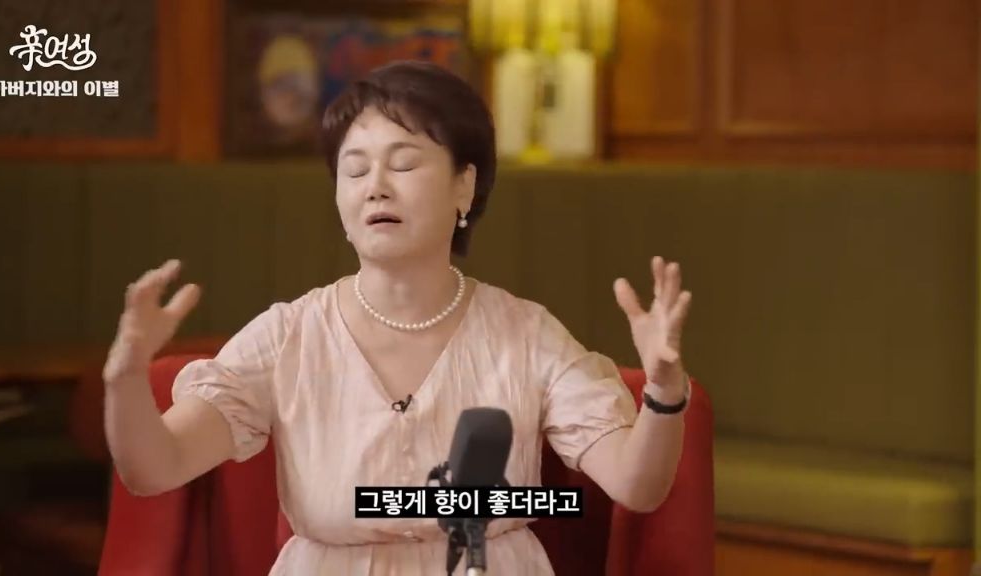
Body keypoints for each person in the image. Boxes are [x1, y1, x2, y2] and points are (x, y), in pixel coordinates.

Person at [102, 60, 693, 576]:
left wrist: (665, 395)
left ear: (465, 187)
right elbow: (154, 468)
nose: (376, 188)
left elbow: (638, 487)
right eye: (355, 170)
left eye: (404, 164)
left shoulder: (527, 335)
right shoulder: (287, 338)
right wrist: (124, 378)